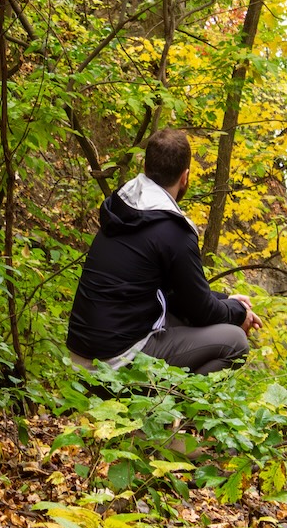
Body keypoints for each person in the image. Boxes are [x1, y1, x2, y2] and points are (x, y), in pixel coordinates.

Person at [67, 127, 261, 375]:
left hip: (80, 357)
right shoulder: (173, 230)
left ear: (145, 167)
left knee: (185, 317)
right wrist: (239, 313)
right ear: (185, 177)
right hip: (114, 361)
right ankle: (172, 400)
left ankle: (155, 391)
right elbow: (201, 311)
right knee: (235, 342)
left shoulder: (122, 208)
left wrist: (227, 300)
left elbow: (183, 297)